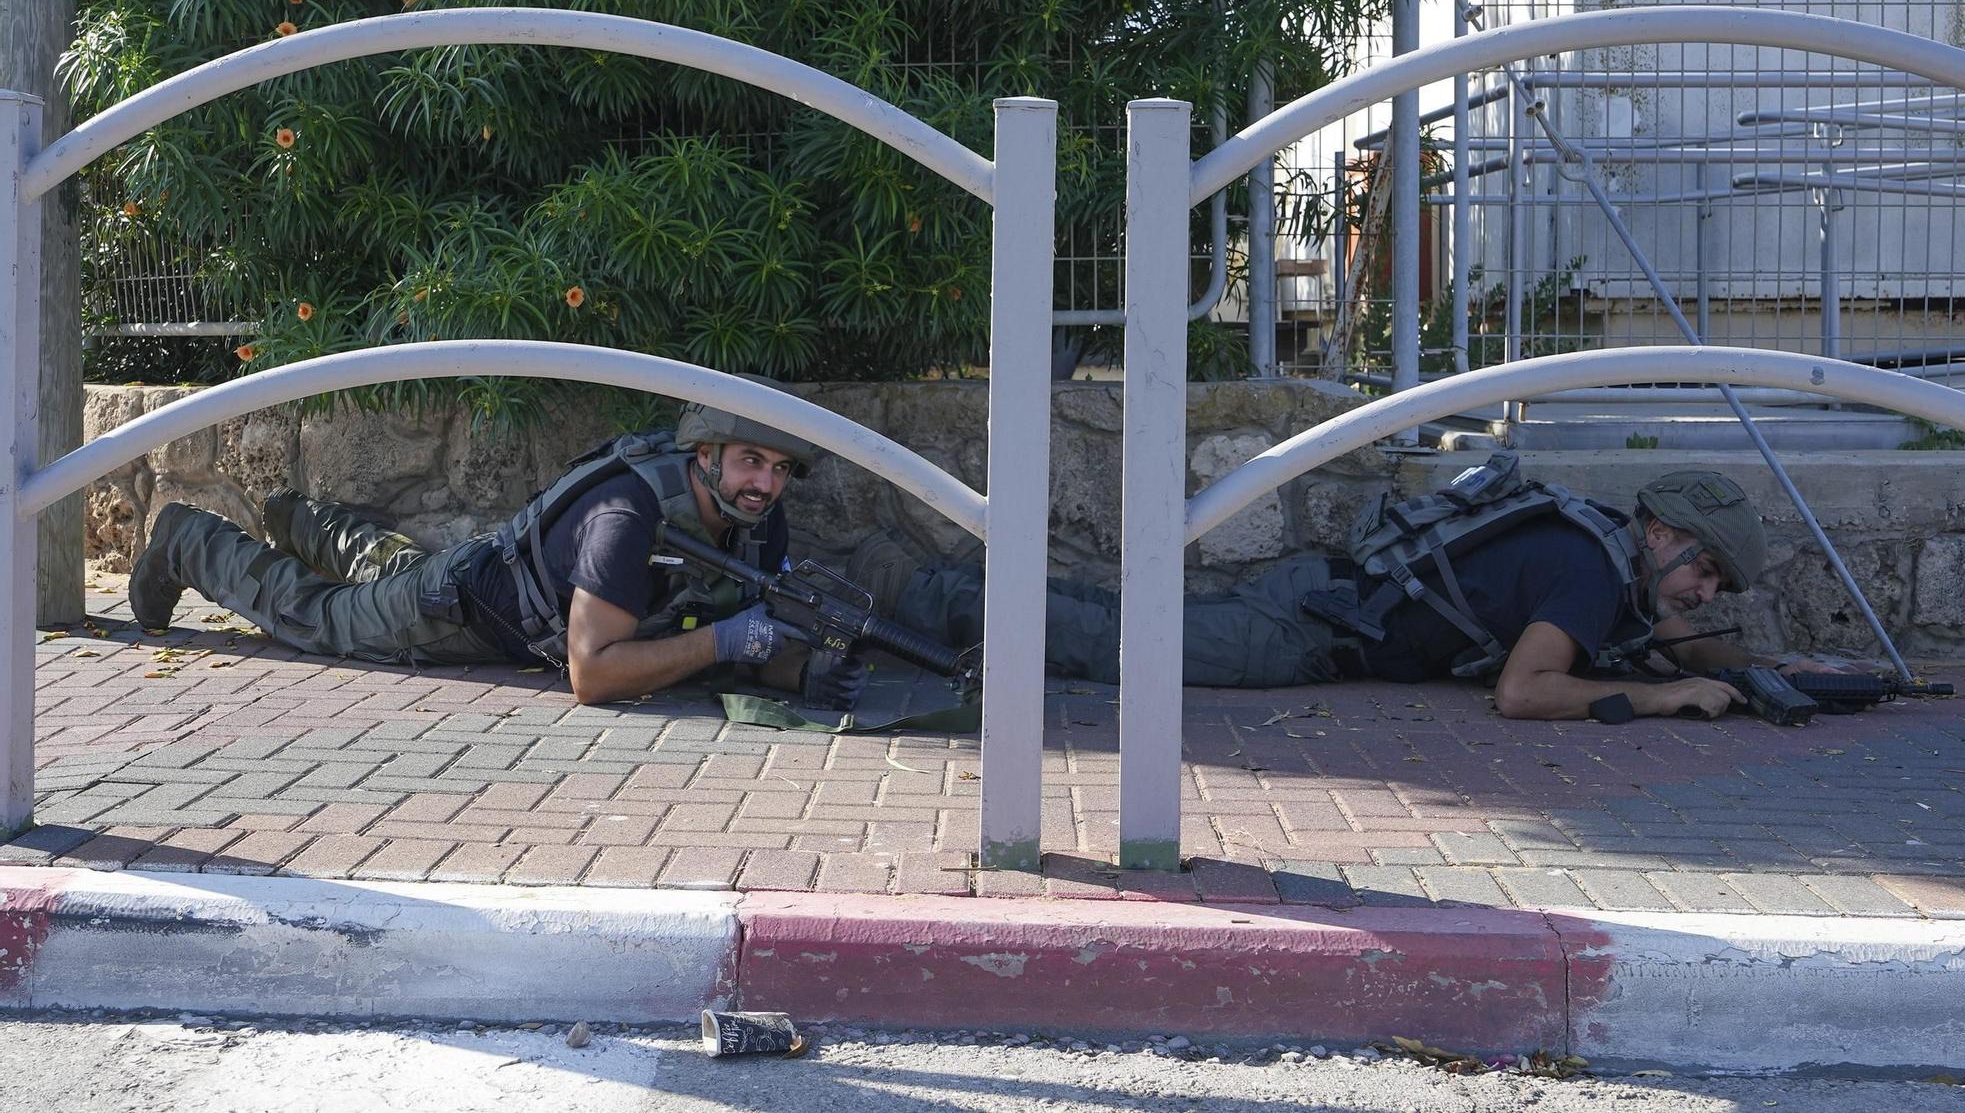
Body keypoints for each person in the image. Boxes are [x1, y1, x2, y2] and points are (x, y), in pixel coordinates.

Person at [849, 465, 1843, 722]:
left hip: (1320, 602)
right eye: (1702, 567)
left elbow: (1655, 640)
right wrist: (1669, 700)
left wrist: (1747, 667)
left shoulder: (1595, 549)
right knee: (1110, 641)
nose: (1701, 590)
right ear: (1659, 531)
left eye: (1712, 582)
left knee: (1114, 620)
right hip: (1304, 638)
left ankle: (941, 591)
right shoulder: (1588, 570)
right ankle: (914, 594)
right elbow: (1525, 692)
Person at [127, 403, 823, 706]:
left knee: (393, 569)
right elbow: (592, 675)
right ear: (705, 454)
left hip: (477, 575)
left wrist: (807, 668)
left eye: (779, 468)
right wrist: (727, 642)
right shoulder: (629, 517)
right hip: (455, 611)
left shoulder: (758, 520)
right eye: (749, 461)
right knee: (323, 617)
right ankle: (190, 540)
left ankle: (294, 515)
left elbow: (761, 635)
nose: (764, 483)